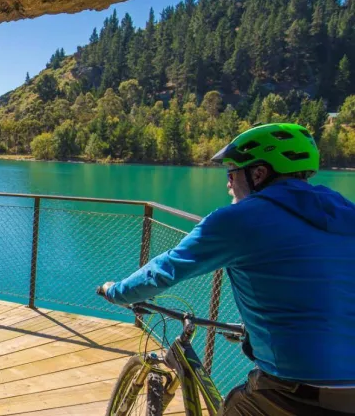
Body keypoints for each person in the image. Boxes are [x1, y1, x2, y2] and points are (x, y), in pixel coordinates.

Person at [98, 122, 355, 414]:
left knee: (233, 406)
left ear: (258, 174)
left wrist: (116, 292)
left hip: (296, 392)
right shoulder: (345, 211)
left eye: (231, 172)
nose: (228, 183)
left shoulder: (239, 221)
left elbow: (164, 269)